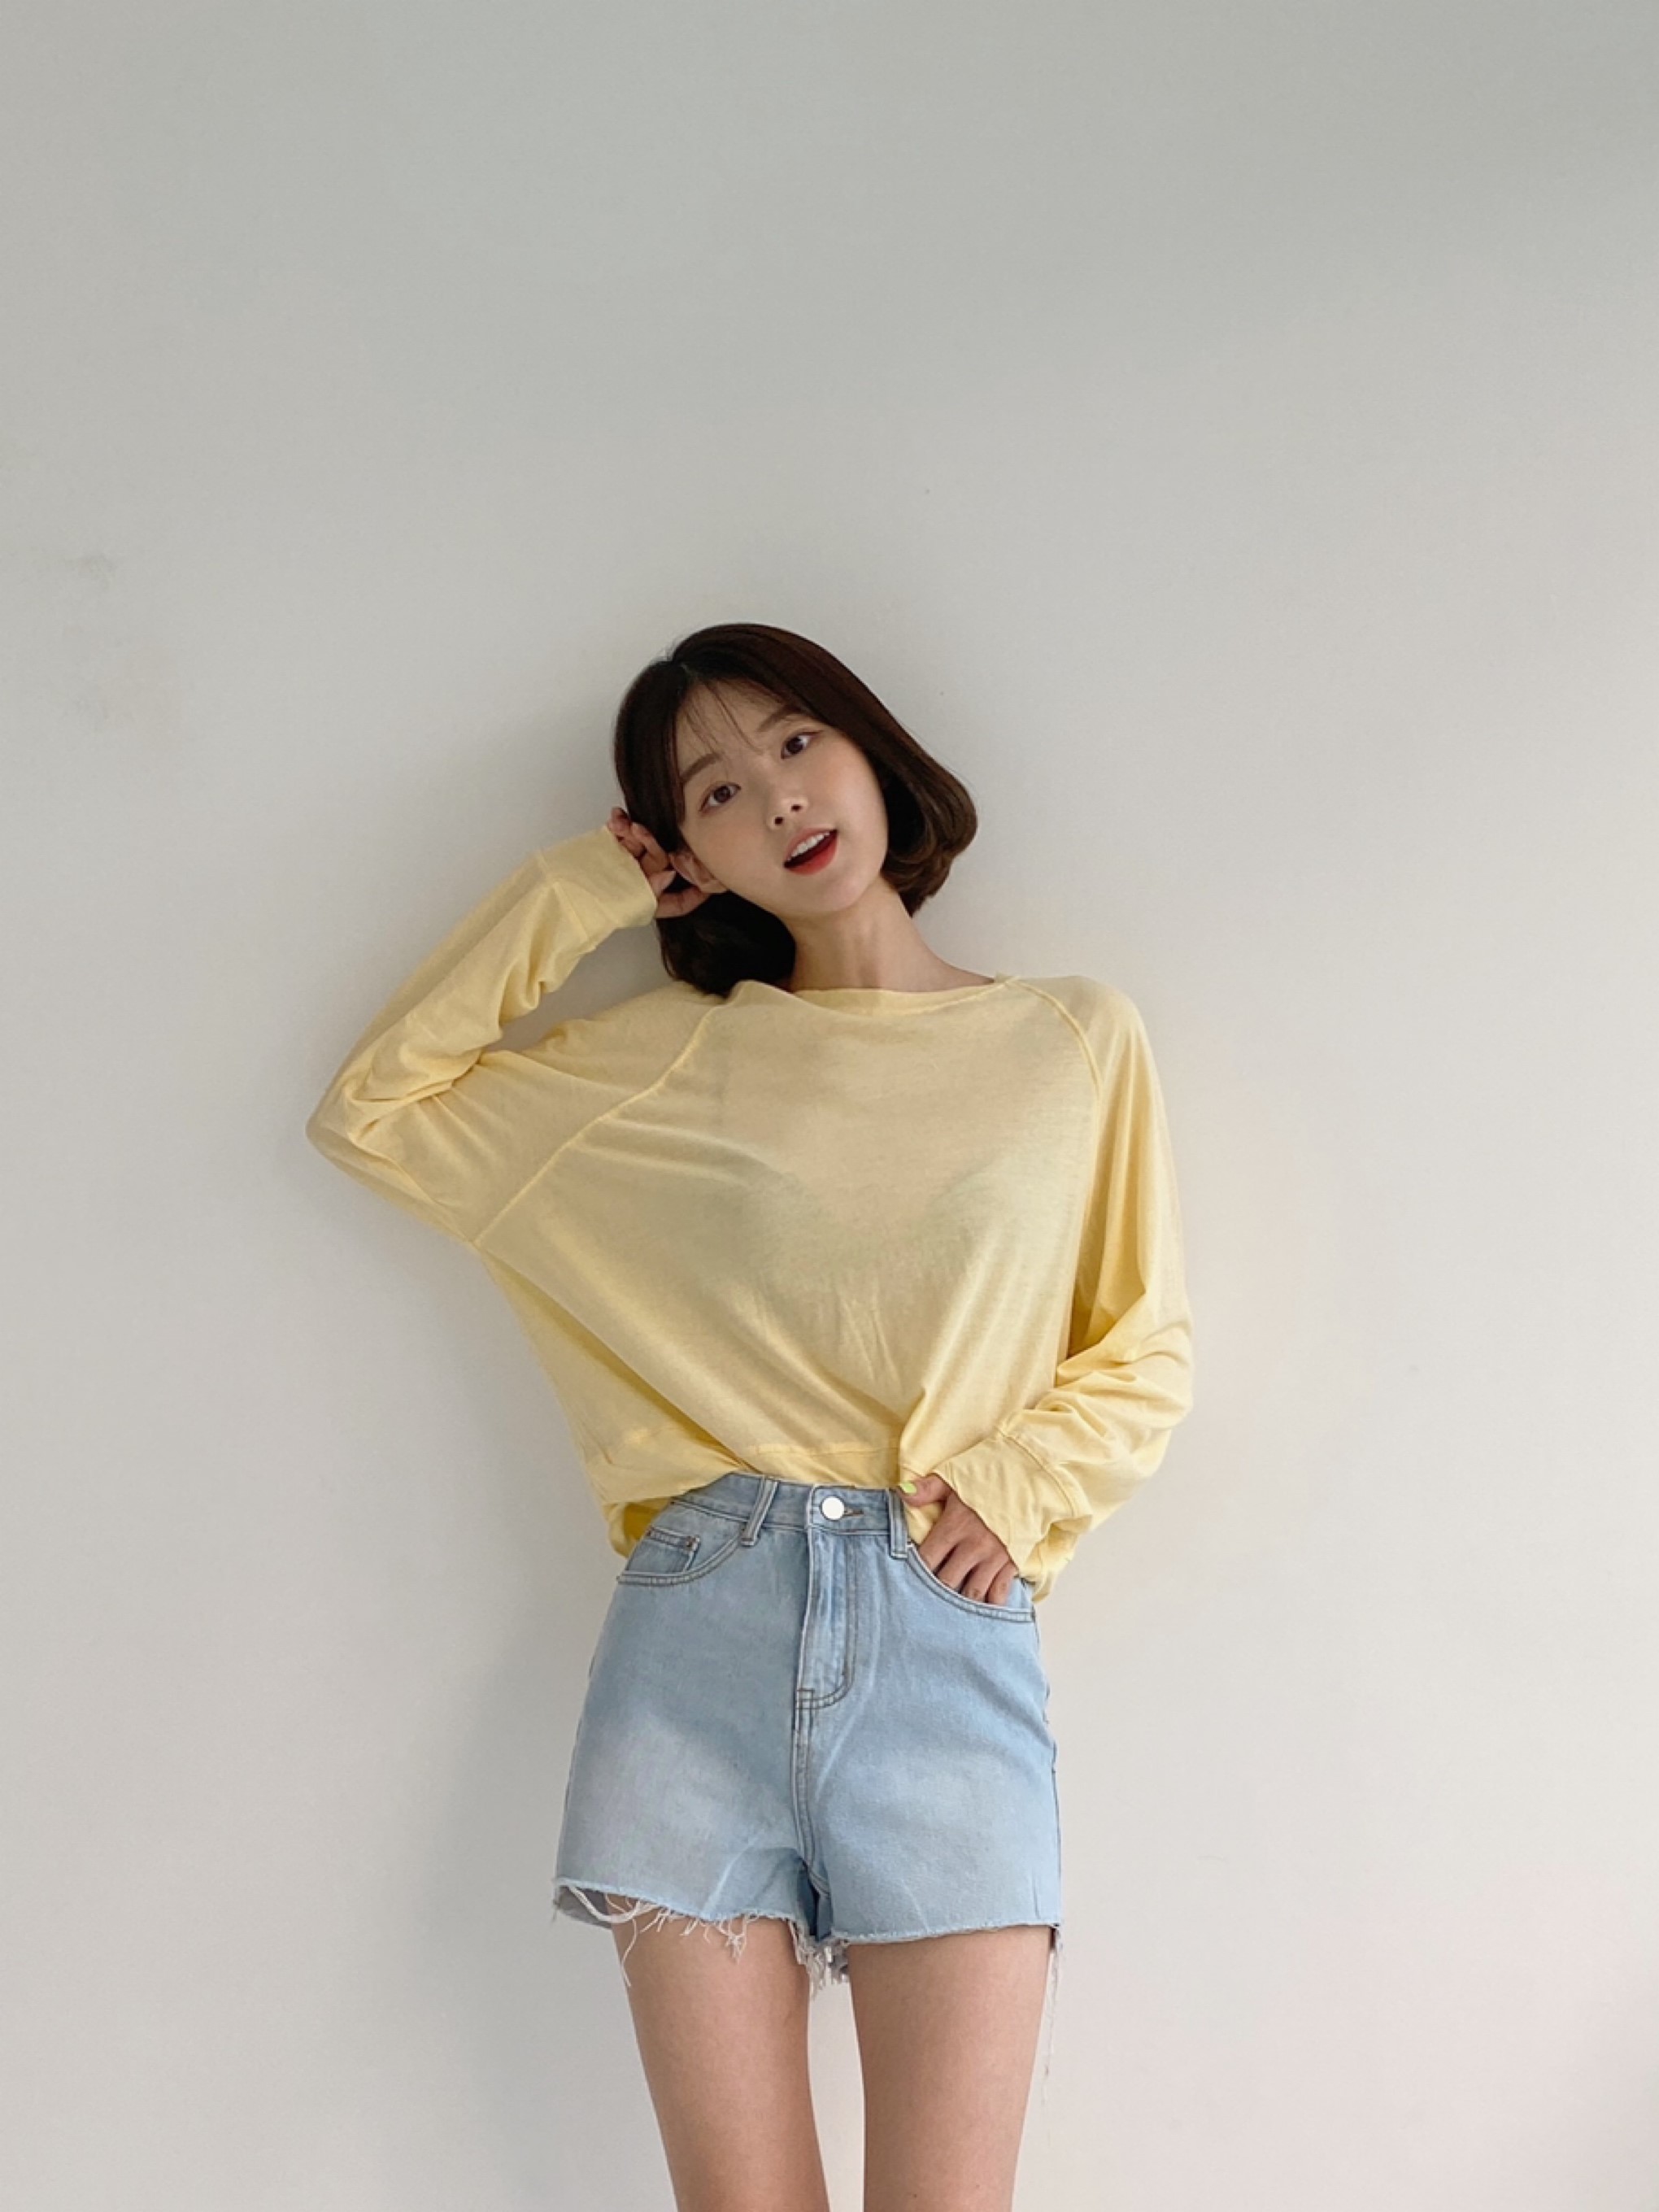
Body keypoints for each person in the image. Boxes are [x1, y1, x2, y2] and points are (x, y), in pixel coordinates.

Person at [305, 620, 1195, 2212]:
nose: (775, 797)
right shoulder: (660, 1063)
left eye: (794, 742)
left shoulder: (1070, 1040)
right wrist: (581, 891)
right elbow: (374, 1110)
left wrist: (1020, 1480)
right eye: (713, 791)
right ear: (686, 852)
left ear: (867, 748)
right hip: (695, 1650)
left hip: (944, 1640)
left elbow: (1143, 1344)